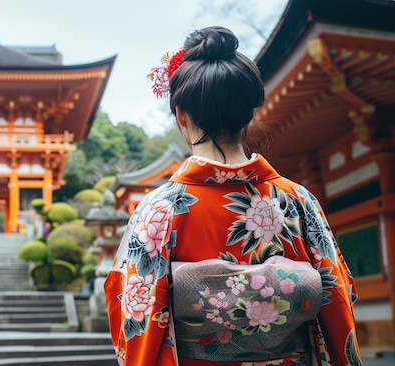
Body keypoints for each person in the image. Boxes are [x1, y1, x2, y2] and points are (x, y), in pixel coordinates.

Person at [104, 26, 361, 366]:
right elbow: (338, 298)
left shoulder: (159, 211)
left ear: (181, 114)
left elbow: (133, 314)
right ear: (249, 114)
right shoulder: (300, 202)